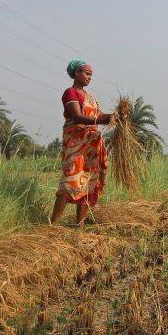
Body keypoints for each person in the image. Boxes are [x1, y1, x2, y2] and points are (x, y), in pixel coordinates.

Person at [50, 60, 112, 226]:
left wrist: (115, 116)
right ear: (76, 73)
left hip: (91, 146)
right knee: (69, 182)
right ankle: (52, 225)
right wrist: (104, 120)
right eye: (86, 73)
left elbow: (100, 115)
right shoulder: (70, 93)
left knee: (88, 183)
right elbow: (77, 117)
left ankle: (80, 225)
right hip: (76, 144)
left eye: (91, 74)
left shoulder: (90, 97)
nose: (89, 77)